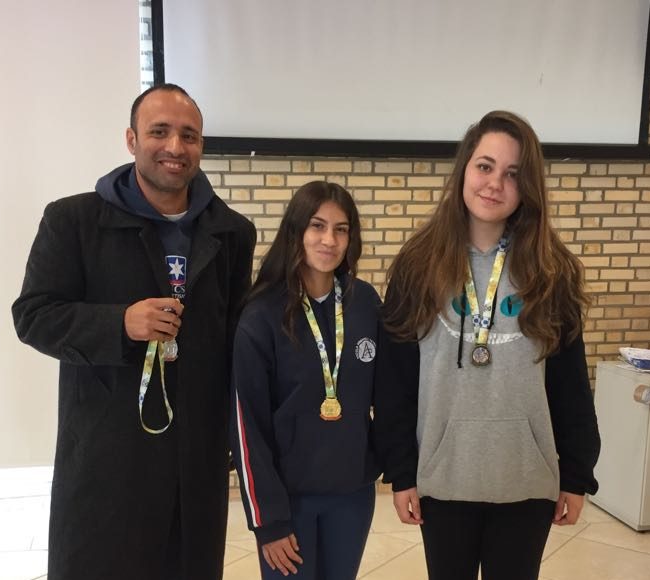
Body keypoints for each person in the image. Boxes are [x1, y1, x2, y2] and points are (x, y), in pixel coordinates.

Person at [12, 84, 256, 580]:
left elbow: (236, 339)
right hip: (108, 457)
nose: (174, 147)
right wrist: (118, 322)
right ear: (131, 139)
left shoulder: (232, 231)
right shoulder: (73, 221)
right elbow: (33, 316)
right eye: (159, 132)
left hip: (195, 462)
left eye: (189, 135)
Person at [374, 110, 601, 580]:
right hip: (443, 478)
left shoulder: (551, 271)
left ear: (528, 187)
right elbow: (395, 384)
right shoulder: (418, 266)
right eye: (485, 166)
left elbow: (570, 385)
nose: (495, 183)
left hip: (526, 481)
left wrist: (577, 473)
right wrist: (402, 471)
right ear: (464, 170)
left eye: (513, 174)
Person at [230, 181, 381, 579]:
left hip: (352, 494)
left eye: (341, 229)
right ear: (296, 231)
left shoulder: (365, 303)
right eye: (317, 226)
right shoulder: (261, 315)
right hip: (288, 500)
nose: (329, 240)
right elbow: (247, 426)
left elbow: (389, 394)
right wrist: (268, 521)